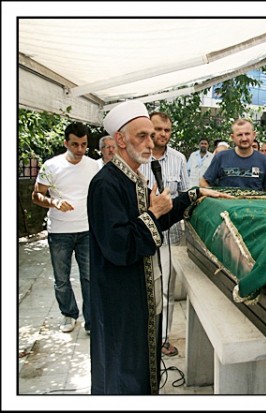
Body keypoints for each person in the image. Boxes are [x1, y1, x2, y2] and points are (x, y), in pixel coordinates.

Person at [87, 100, 229, 394]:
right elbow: (120, 246)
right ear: (120, 140)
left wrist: (194, 195)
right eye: (142, 136)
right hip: (122, 299)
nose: (151, 143)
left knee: (141, 365)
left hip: (140, 292)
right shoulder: (106, 184)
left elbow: (156, 221)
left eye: (151, 136)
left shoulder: (135, 178)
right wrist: (153, 213)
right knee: (124, 370)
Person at [32, 122, 100, 334]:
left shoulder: (94, 166)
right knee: (61, 279)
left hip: (87, 230)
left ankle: (91, 321)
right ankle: (68, 314)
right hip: (59, 232)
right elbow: (36, 195)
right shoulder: (51, 166)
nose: (80, 149)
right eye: (75, 144)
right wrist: (54, 202)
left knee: (90, 277)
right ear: (65, 143)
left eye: (84, 145)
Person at [139, 111, 189, 358]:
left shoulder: (179, 159)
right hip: (142, 237)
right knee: (143, 290)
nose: (162, 134)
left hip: (170, 237)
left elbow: (186, 195)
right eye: (157, 129)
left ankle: (163, 339)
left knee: (167, 291)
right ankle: (143, 337)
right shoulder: (139, 157)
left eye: (167, 130)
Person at [200, 118, 266, 193]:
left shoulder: (264, 161)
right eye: (240, 135)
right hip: (226, 200)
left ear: (254, 135)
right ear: (233, 137)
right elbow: (203, 182)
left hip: (255, 200)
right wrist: (213, 194)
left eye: (247, 134)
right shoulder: (221, 157)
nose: (244, 138)